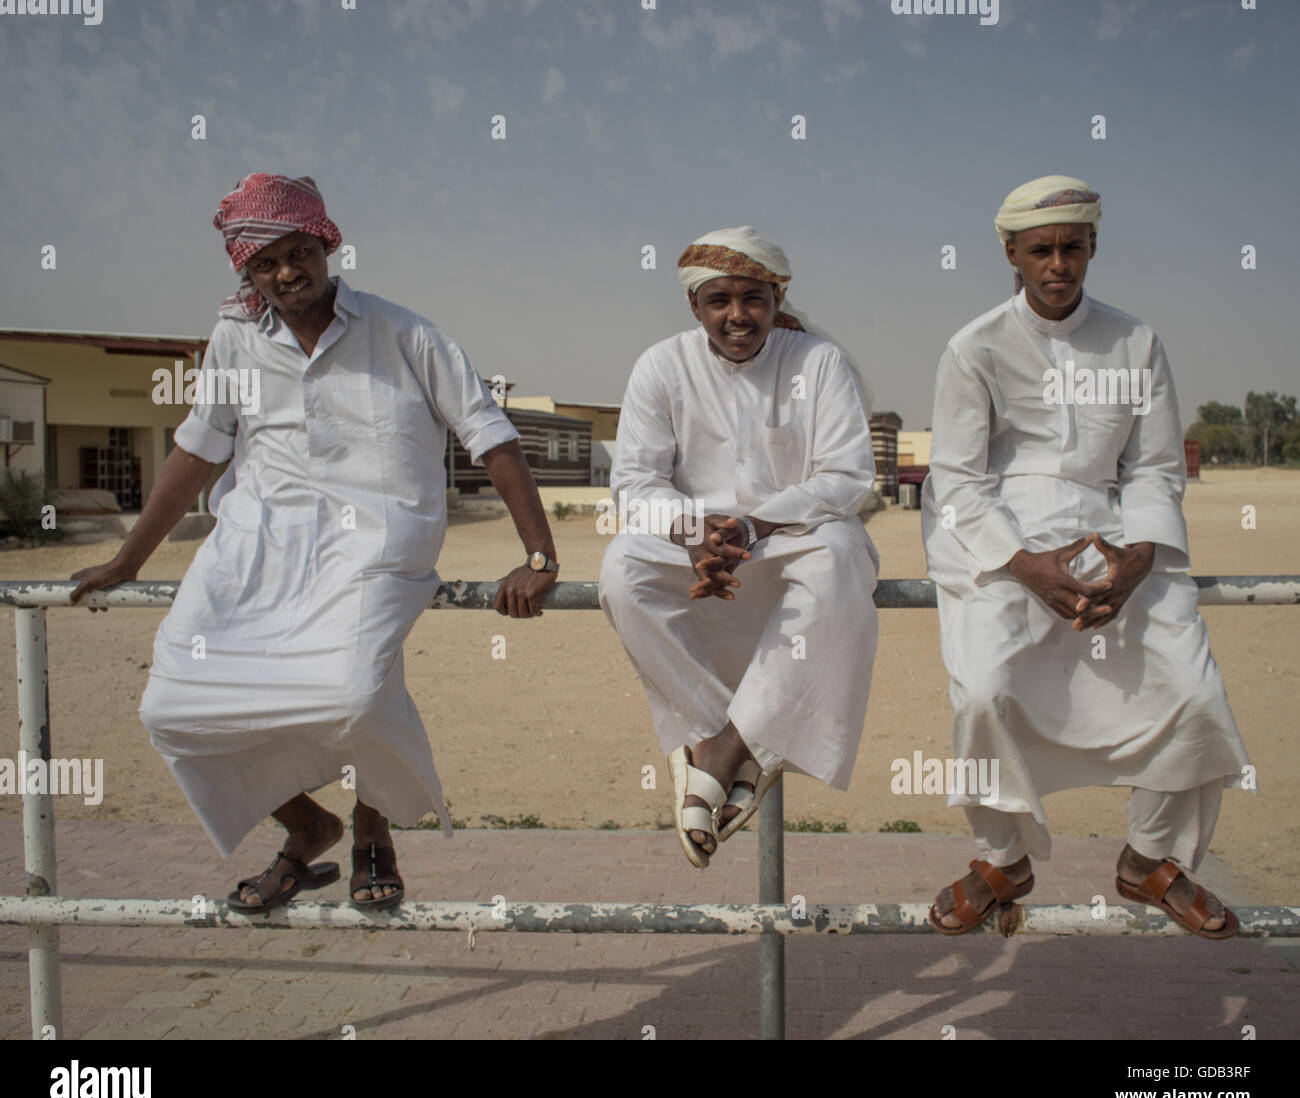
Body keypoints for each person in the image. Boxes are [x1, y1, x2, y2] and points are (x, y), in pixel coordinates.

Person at [70, 173, 559, 913]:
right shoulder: (234, 338)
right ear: (247, 271)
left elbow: (489, 435)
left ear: (326, 243)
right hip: (257, 548)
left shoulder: (407, 334)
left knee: (354, 695)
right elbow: (198, 451)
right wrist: (127, 560)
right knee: (172, 706)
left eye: (299, 252)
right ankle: (308, 824)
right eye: (265, 264)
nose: (286, 273)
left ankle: (374, 830)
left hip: (378, 547)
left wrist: (539, 555)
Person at [921, 175, 1252, 939]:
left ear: (1094, 246)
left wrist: (1138, 558)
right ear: (1011, 253)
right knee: (982, 691)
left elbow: (1157, 469)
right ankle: (1002, 857)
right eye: (1042, 250)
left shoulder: (1138, 342)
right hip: (1005, 541)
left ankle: (1151, 860)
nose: (1059, 264)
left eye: (1073, 247)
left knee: (1193, 692)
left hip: (1116, 533)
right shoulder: (973, 348)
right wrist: (1027, 566)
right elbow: (960, 481)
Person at [599, 226, 880, 868]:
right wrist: (694, 532)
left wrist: (754, 527)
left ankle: (720, 753)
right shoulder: (661, 366)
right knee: (622, 571)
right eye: (718, 299)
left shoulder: (817, 363)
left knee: (839, 560)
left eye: (752, 297)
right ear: (694, 307)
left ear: (777, 299)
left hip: (792, 537)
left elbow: (844, 475)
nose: (737, 315)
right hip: (694, 542)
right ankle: (738, 743)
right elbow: (636, 481)